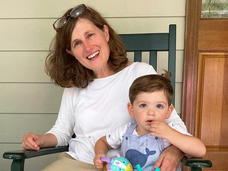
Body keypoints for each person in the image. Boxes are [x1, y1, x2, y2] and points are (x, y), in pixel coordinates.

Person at [22, 4, 189, 171]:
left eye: (90, 35)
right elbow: (61, 131)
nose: (88, 47)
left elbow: (174, 125)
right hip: (78, 162)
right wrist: (39, 140)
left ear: (105, 33)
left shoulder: (140, 73)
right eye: (77, 43)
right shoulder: (74, 85)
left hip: (124, 166)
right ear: (71, 52)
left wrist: (175, 151)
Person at [93, 73, 206, 171]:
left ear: (168, 111)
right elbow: (103, 142)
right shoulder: (126, 131)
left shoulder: (171, 130)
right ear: (131, 109)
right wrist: (100, 154)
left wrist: (170, 134)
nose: (151, 112)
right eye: (143, 105)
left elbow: (200, 150)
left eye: (159, 106)